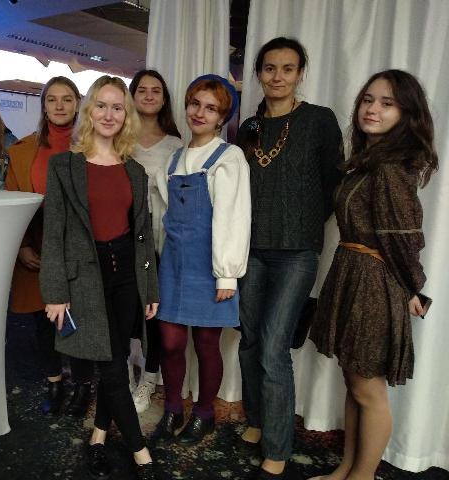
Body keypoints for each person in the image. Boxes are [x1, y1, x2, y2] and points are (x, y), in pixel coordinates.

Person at [308, 70, 437, 480]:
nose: (372, 109)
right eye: (368, 99)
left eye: (387, 103)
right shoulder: (369, 162)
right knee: (354, 383)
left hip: (374, 284)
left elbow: (405, 239)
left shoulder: (392, 169)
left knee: (369, 390)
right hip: (352, 273)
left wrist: (414, 288)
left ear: (406, 114)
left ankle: (362, 477)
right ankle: (347, 469)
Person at [39, 75, 160, 480]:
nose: (109, 114)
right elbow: (53, 233)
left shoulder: (135, 171)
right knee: (111, 368)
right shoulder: (64, 166)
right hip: (85, 280)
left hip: (126, 274)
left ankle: (99, 437)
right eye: (102, 105)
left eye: (118, 107)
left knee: (118, 360)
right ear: (89, 111)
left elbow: (143, 235)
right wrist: (55, 291)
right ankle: (141, 453)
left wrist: (150, 288)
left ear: (126, 115)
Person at [235, 37, 343, 479]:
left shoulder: (319, 120)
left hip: (297, 251)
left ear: (300, 74)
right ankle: (258, 420)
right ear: (258, 73)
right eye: (269, 68)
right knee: (249, 341)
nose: (277, 76)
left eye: (287, 68)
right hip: (248, 250)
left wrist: (303, 221)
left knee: (274, 346)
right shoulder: (248, 126)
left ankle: (278, 447)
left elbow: (335, 184)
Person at [150, 75, 251, 446]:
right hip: (173, 264)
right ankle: (173, 408)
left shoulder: (229, 157)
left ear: (222, 117)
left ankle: (205, 413)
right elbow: (164, 215)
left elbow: (234, 217)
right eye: (195, 104)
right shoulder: (174, 159)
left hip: (210, 268)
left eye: (211, 108)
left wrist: (227, 275)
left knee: (207, 345)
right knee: (171, 343)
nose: (200, 113)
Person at [5, 76, 93, 417]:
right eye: (52, 99)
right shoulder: (22, 150)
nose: (59, 105)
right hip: (38, 244)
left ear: (78, 104)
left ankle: (82, 385)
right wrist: (23, 246)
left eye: (67, 99)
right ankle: (54, 382)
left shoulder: (92, 146)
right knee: (43, 321)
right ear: (43, 105)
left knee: (79, 318)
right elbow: (13, 201)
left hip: (80, 249)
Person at [128, 69, 183, 413]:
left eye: (156, 90)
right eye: (142, 90)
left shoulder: (176, 145)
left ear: (164, 99)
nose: (149, 95)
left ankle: (148, 380)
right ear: (132, 96)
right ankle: (124, 374)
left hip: (160, 240)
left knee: (155, 316)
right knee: (123, 311)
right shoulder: (119, 138)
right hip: (122, 236)